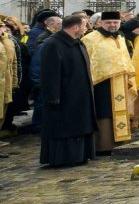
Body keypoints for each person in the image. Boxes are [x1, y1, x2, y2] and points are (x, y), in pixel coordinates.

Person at [38, 14, 97, 167]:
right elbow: (50, 73)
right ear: (75, 27)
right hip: (64, 96)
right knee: (65, 127)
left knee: (80, 125)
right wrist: (53, 96)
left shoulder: (78, 43)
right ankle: (65, 158)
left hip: (80, 95)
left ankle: (80, 155)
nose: (86, 28)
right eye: (84, 25)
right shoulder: (54, 44)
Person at [82, 11, 136, 155]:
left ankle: (121, 141)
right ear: (100, 23)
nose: (112, 25)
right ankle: (103, 145)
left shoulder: (120, 37)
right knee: (104, 112)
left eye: (115, 22)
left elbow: (125, 58)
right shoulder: (90, 39)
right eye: (108, 22)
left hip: (120, 81)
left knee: (119, 111)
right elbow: (87, 61)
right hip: (100, 82)